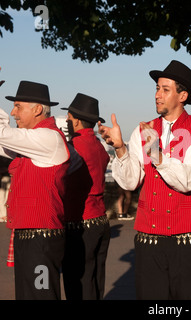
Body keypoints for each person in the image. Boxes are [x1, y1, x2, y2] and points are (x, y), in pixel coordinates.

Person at [98, 60, 191, 299]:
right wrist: (121, 149)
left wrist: (155, 153)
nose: (157, 95)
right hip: (148, 239)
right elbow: (130, 183)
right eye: (156, 88)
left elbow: (187, 181)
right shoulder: (142, 129)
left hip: (187, 241)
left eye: (165, 89)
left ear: (182, 95)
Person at [0, 53, 70, 299]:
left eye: (18, 106)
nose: (13, 113)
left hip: (42, 239)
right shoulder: (32, 142)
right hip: (31, 237)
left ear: (38, 109)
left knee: (41, 295)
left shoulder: (48, 138)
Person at [61, 93, 111, 300]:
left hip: (80, 222)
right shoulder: (100, 146)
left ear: (78, 121)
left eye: (70, 117)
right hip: (100, 219)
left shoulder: (73, 148)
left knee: (78, 284)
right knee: (96, 281)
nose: (66, 121)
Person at [0, 155, 13, 222]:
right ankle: (4, 215)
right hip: (4, 178)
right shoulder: (9, 158)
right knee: (2, 197)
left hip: (6, 178)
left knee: (5, 197)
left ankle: (4, 215)